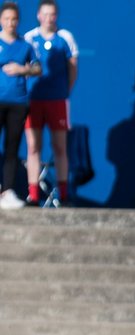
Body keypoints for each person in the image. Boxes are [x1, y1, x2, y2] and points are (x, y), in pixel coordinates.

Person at [23, 0, 75, 206]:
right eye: (45, 14)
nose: (49, 18)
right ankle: (33, 195)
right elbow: (24, 67)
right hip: (34, 101)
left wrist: (64, 91)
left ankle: (64, 194)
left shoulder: (65, 37)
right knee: (33, 147)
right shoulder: (29, 38)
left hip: (57, 101)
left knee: (60, 147)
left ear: (57, 16)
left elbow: (73, 68)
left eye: (52, 14)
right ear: (38, 15)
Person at [0, 1, 40, 210]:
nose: (10, 23)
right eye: (6, 19)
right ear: (1, 20)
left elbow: (37, 68)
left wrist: (21, 70)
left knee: (11, 149)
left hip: (18, 103)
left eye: (13, 19)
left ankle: (6, 192)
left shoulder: (25, 45)